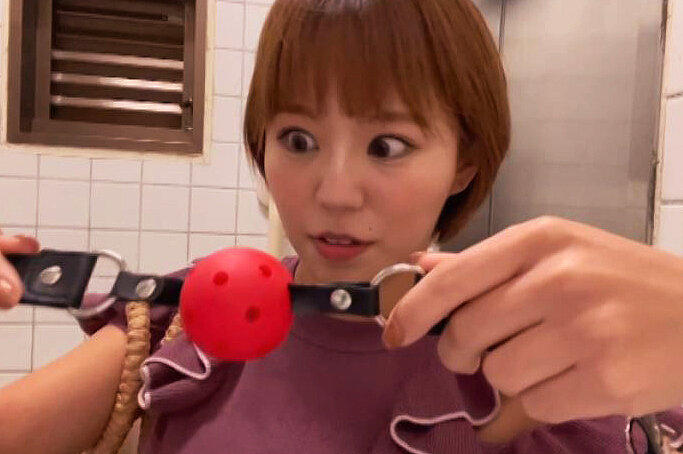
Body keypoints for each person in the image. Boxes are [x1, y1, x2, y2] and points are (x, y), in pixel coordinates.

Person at [0, 0, 682, 453]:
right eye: (297, 139)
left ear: (463, 164)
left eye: (387, 145)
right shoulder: (188, 318)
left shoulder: (539, 355)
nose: (332, 193)